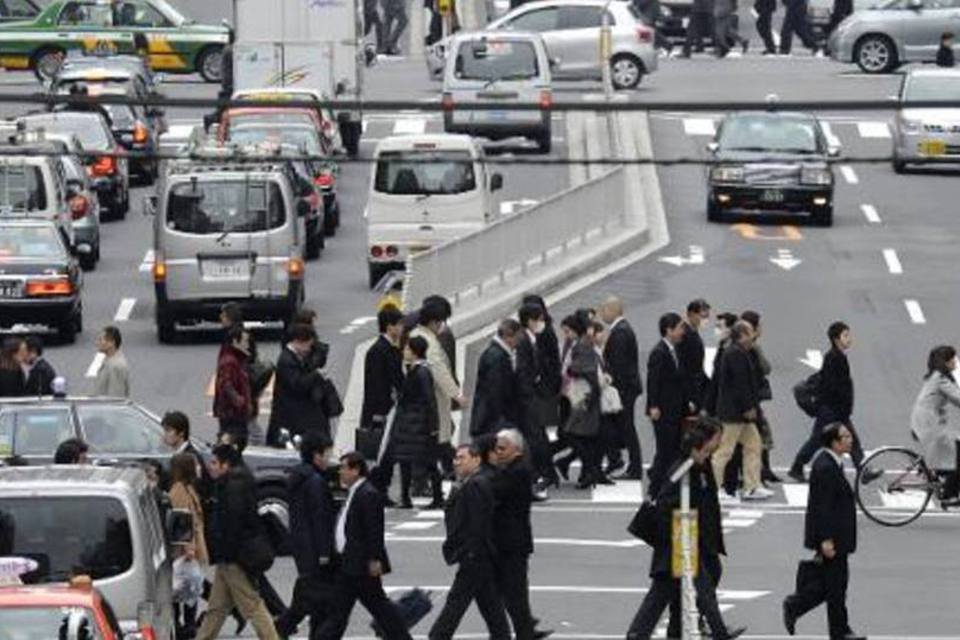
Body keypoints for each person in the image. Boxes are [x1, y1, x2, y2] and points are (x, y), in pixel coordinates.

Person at [626, 419, 746, 640]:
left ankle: (654, 633)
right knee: (693, 589)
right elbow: (665, 502)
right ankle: (717, 632)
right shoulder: (685, 467)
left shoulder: (700, 465)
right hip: (680, 537)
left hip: (690, 536)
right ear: (703, 442)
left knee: (675, 592)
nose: (718, 442)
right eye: (716, 437)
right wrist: (679, 536)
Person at [314, 452, 414, 640]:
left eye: (344, 468)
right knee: (341, 613)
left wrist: (375, 559)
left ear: (356, 470)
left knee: (378, 609)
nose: (340, 472)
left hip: (361, 564)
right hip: (350, 563)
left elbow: (374, 530)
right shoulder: (355, 492)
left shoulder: (368, 494)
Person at [782, 423, 865, 640]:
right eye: (845, 436)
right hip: (832, 537)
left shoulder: (831, 463)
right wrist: (826, 540)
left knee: (834, 585)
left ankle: (834, 626)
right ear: (834, 442)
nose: (850, 439)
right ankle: (802, 609)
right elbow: (823, 506)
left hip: (837, 536)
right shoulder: (826, 467)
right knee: (835, 586)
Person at [428, 444, 511, 640]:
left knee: (455, 604)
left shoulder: (475, 485)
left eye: (462, 458)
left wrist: (470, 552)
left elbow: (478, 523)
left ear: (476, 460)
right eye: (456, 458)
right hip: (479, 555)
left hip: (474, 555)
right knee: (490, 605)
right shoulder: (470, 482)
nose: (457, 462)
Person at [196, 444, 280, 640]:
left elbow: (233, 525)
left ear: (226, 465)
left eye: (215, 463)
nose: (211, 467)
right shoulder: (235, 482)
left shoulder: (232, 486)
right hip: (229, 556)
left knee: (252, 605)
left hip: (233, 557)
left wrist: (226, 554)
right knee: (216, 608)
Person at [488, 429, 550, 640]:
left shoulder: (518, 471)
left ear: (517, 450)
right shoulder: (511, 469)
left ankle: (523, 629)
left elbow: (495, 490)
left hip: (512, 542)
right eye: (496, 448)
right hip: (506, 541)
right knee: (507, 591)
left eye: (502, 448)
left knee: (513, 591)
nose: (498, 452)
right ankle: (524, 626)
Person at [790, 322, 869, 482]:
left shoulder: (838, 356)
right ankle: (797, 467)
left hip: (836, 409)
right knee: (819, 439)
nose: (849, 339)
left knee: (848, 440)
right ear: (836, 339)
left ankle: (863, 470)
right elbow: (831, 386)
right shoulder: (833, 357)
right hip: (832, 409)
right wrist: (841, 405)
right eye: (845, 335)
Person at [275, 430, 336, 638]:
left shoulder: (300, 477)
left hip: (302, 548)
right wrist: (325, 551)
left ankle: (290, 629)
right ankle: (279, 629)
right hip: (315, 551)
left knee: (312, 599)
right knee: (312, 600)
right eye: (327, 454)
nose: (329, 458)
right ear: (316, 455)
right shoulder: (315, 482)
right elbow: (320, 519)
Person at [711, 320, 772, 502]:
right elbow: (740, 385)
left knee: (754, 445)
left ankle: (751, 486)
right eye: (750, 332)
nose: (754, 335)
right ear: (742, 335)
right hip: (734, 413)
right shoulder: (735, 353)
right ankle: (715, 489)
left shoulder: (739, 351)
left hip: (740, 413)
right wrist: (748, 408)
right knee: (724, 451)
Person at [410, 300, 467, 478]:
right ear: (435, 322)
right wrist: (456, 394)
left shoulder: (416, 334)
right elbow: (439, 370)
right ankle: (431, 480)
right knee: (435, 440)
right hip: (432, 399)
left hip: (424, 400)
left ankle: (444, 471)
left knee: (437, 439)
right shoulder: (429, 342)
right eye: (441, 322)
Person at [387, 336, 443, 509]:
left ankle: (434, 497)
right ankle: (407, 497)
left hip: (417, 423)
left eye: (407, 349)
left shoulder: (421, 372)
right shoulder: (414, 370)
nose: (404, 352)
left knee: (426, 460)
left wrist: (433, 425)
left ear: (414, 351)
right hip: (412, 422)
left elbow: (429, 399)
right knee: (410, 459)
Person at [646, 313, 690, 497]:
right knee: (665, 451)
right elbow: (653, 381)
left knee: (671, 450)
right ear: (668, 330)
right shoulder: (659, 352)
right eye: (679, 328)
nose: (682, 331)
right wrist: (653, 405)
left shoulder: (675, 350)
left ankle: (664, 485)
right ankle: (655, 489)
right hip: (663, 411)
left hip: (675, 410)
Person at [599, 296, 643, 480]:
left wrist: (613, 386)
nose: (602, 314)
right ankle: (621, 461)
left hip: (624, 389)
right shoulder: (621, 330)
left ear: (612, 310)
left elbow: (619, 365)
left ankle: (634, 467)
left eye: (604, 310)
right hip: (626, 388)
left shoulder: (621, 332)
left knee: (627, 428)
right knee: (624, 427)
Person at [910, 346, 960, 506]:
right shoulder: (941, 379)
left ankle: (937, 472)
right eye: (953, 359)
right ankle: (949, 494)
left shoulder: (937, 376)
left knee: (953, 450)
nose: (956, 362)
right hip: (929, 424)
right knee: (957, 453)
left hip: (926, 421)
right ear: (945, 362)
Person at [516, 303, 557, 495]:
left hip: (532, 396)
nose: (542, 324)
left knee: (537, 437)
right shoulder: (524, 341)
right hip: (527, 399)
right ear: (530, 321)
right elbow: (523, 372)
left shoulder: (531, 339)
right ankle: (536, 477)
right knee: (533, 439)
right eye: (540, 320)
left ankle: (543, 474)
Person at [268, 324, 329, 446]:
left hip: (296, 412)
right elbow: (297, 385)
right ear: (298, 342)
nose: (309, 349)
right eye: (308, 345)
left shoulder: (295, 357)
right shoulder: (287, 361)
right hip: (291, 414)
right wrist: (316, 375)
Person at [169, 452, 209, 640]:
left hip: (189, 547)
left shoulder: (187, 488)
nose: (199, 468)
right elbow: (183, 522)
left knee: (188, 588)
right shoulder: (179, 491)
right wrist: (188, 548)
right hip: (184, 551)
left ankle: (187, 625)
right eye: (196, 465)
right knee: (184, 587)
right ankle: (184, 626)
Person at [563, 317, 606, 489]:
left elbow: (583, 370)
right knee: (585, 436)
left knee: (572, 433)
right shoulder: (584, 343)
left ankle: (589, 470)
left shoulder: (581, 345)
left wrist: (570, 369)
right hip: (585, 393)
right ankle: (589, 471)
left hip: (584, 394)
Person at [470, 319, 522, 437]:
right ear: (508, 337)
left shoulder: (498, 353)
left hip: (490, 418)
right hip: (492, 421)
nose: (518, 343)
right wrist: (504, 421)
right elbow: (495, 391)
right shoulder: (497, 358)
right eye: (517, 339)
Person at [361, 306, 404, 433]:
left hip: (389, 411)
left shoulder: (392, 348)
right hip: (380, 414)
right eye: (399, 324)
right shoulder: (377, 351)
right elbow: (375, 387)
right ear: (390, 327)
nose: (402, 328)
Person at [214, 325, 254, 451]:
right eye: (245, 341)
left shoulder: (236, 359)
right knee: (231, 445)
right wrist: (239, 401)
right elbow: (226, 384)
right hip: (232, 415)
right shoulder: (230, 362)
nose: (248, 345)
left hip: (233, 414)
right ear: (235, 342)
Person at [678, 299, 711, 413]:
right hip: (689, 390)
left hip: (696, 387)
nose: (705, 320)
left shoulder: (693, 334)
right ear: (691, 314)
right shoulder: (684, 335)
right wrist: (689, 397)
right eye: (703, 316)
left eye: (707, 317)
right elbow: (685, 367)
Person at [93, 326, 130, 398]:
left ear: (111, 343)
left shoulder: (116, 366)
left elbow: (115, 398)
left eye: (100, 340)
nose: (97, 343)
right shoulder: (109, 360)